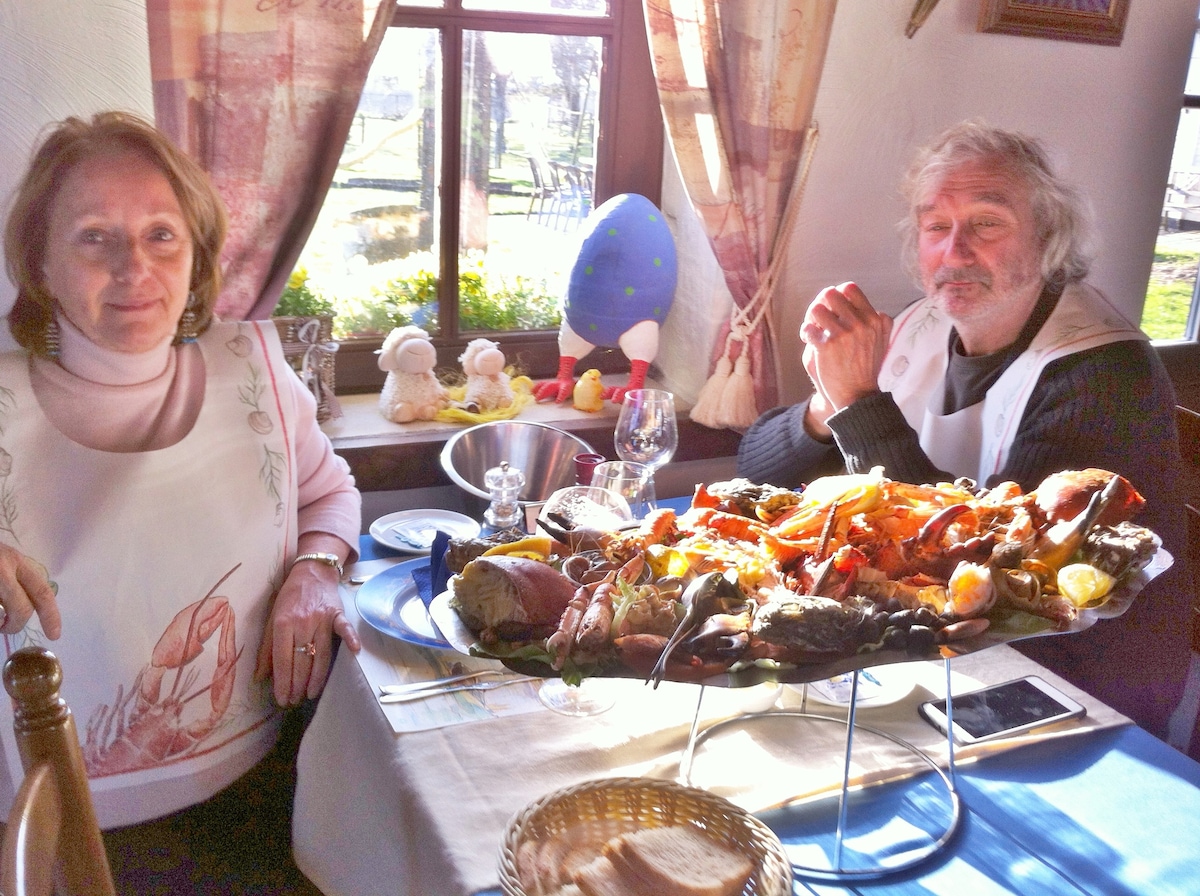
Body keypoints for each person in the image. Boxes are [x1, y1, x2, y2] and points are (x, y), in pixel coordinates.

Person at [737, 119, 1193, 750]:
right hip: (934, 648)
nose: (954, 252)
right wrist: (825, 405)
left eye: (986, 223)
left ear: (1050, 239)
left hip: (1073, 692)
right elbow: (755, 473)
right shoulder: (921, 325)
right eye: (936, 226)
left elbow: (994, 579)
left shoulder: (1102, 375)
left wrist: (861, 405)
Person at [0, 110, 361, 879]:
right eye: (94, 237)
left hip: (263, 791)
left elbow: (329, 492)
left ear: (196, 255)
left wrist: (316, 569)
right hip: (62, 837)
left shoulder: (254, 366)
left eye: (161, 234)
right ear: (40, 263)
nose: (133, 266)